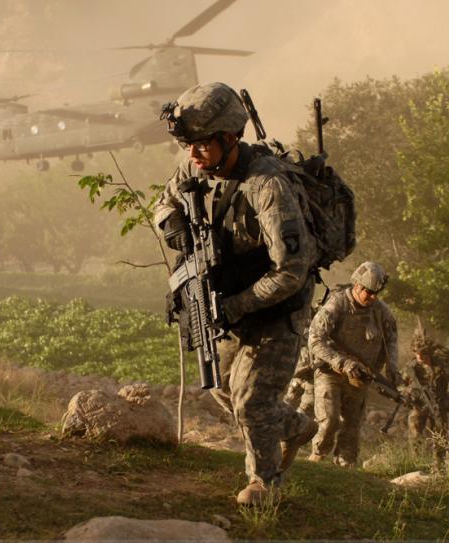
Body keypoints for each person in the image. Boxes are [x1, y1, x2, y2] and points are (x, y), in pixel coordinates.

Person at [154, 82, 318, 506]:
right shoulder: (196, 167)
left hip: (278, 306)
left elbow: (291, 272)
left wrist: (234, 307)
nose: (192, 156)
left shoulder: (268, 186)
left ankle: (265, 482)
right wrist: (170, 223)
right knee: (222, 387)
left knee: (251, 400)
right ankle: (296, 427)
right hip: (229, 300)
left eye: (202, 146)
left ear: (229, 138)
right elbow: (164, 201)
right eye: (188, 146)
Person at [307, 261, 398, 466]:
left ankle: (346, 465)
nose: (373, 297)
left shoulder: (381, 311)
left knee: (352, 425)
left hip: (360, 377)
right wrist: (342, 362)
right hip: (330, 373)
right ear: (357, 286)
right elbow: (314, 339)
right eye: (369, 292)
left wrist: (392, 366)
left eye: (377, 293)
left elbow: (391, 339)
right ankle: (318, 457)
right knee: (329, 420)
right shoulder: (337, 305)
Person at [403, 333, 449, 468]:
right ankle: (417, 464)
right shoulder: (411, 367)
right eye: (417, 354)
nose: (421, 357)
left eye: (424, 354)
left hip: (438, 404)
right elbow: (400, 385)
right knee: (415, 432)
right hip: (419, 405)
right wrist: (409, 393)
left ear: (430, 353)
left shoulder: (442, 366)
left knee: (440, 436)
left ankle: (439, 465)